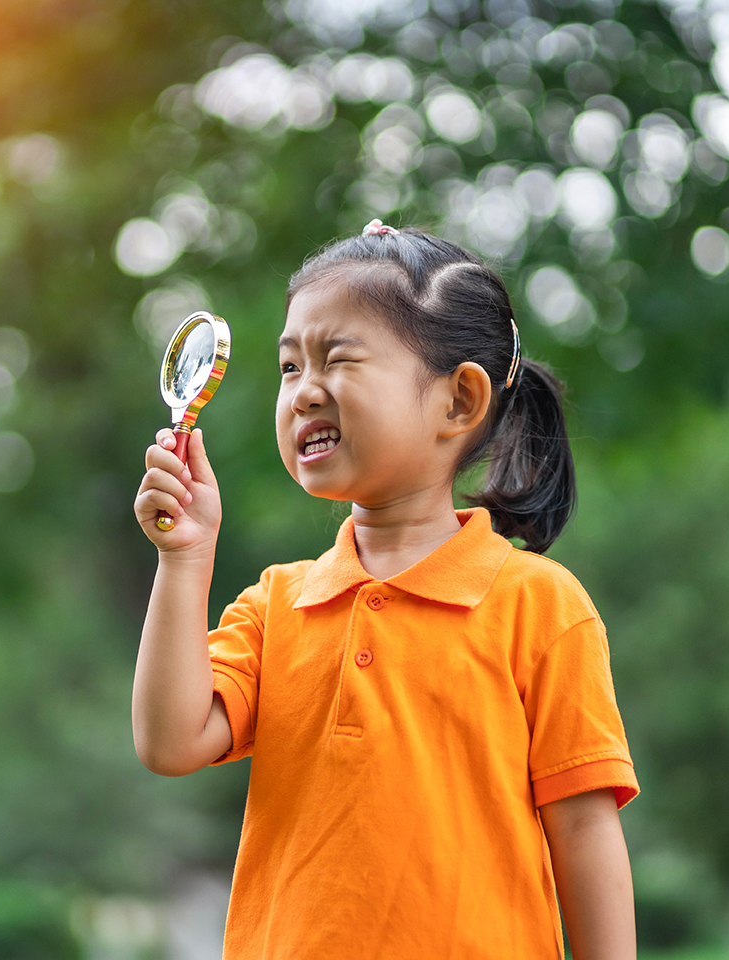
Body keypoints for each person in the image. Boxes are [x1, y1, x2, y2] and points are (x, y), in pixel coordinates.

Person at [132, 221, 638, 959]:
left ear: (459, 402)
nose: (304, 392)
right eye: (288, 367)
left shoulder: (541, 606)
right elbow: (170, 741)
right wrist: (184, 560)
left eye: (336, 360)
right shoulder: (278, 605)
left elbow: (587, 829)